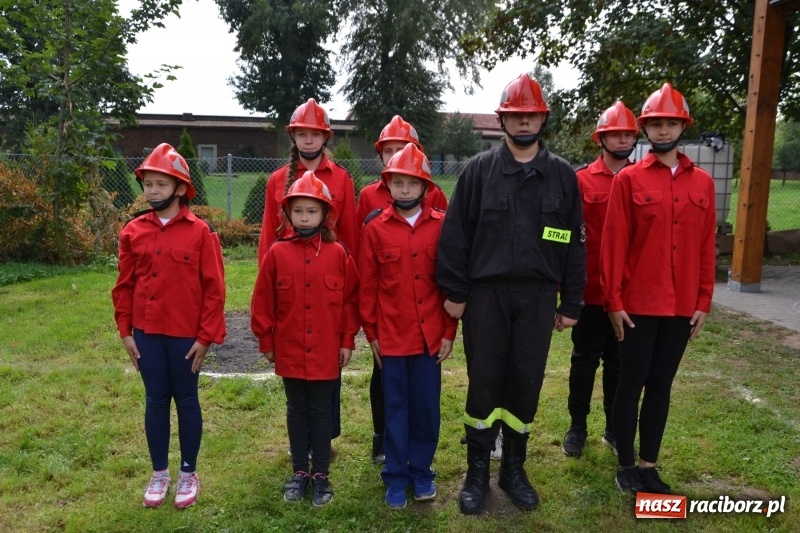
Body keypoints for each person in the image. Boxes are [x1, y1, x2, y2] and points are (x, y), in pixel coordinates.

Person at [436, 73, 586, 514]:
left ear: (542, 118)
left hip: (538, 299)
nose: (524, 123)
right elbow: (454, 238)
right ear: (503, 120)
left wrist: (572, 301)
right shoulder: (479, 172)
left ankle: (514, 469)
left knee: (525, 384)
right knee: (483, 385)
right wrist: (456, 292)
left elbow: (575, 245)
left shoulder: (561, 177)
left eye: (531, 115)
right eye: (515, 116)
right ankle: (477, 470)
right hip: (485, 298)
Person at [600, 83, 716, 495]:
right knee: (630, 383)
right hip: (637, 304)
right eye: (655, 124)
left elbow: (706, 245)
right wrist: (613, 300)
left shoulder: (701, 183)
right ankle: (626, 464)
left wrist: (704, 299)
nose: (663, 131)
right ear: (645, 129)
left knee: (661, 385)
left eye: (670, 123)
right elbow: (613, 245)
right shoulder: (628, 180)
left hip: (681, 305)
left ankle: (650, 464)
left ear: (681, 126)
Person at [111, 143, 226, 509]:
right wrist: (126, 331)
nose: (153, 191)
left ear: (180, 188)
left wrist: (206, 337)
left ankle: (189, 473)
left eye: (161, 184)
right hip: (146, 334)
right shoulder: (132, 231)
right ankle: (160, 473)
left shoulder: (201, 232)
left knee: (187, 400)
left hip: (185, 337)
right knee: (156, 401)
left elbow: (215, 289)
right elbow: (124, 285)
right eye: (148, 184)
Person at [251, 171, 360, 506]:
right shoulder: (277, 253)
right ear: (288, 214)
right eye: (297, 210)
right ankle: (300, 471)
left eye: (311, 211)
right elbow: (262, 301)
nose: (304, 217)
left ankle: (322, 474)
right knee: (296, 409)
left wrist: (346, 341)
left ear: (325, 214)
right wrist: (266, 342)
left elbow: (350, 302)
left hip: (327, 350)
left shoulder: (338, 254)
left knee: (323, 410)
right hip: (291, 349)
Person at [359, 143, 458, 509]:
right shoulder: (376, 228)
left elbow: (450, 283)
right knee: (396, 410)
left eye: (411, 183)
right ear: (388, 185)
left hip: (430, 338)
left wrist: (449, 331)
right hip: (392, 339)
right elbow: (367, 286)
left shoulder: (442, 225)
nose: (404, 190)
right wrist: (371, 335)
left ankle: (422, 473)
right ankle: (396, 478)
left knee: (427, 410)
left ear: (426, 187)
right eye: (397, 183)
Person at [258, 98, 360, 447]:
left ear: (325, 137)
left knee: (326, 369)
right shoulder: (277, 181)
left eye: (315, 134)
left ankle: (324, 438)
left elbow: (350, 236)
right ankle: (300, 443)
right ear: (293, 137)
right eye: (302, 134)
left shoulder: (342, 179)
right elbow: (267, 238)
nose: (309, 141)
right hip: (289, 282)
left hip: (327, 280)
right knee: (297, 371)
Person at [562, 101, 638, 458]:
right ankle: (577, 427)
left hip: (628, 294)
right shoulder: (580, 180)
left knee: (619, 363)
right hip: (589, 291)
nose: (622, 140)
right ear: (601, 138)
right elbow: (562, 234)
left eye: (628, 134)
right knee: (584, 360)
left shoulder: (642, 179)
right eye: (615, 134)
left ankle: (613, 427)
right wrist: (565, 285)